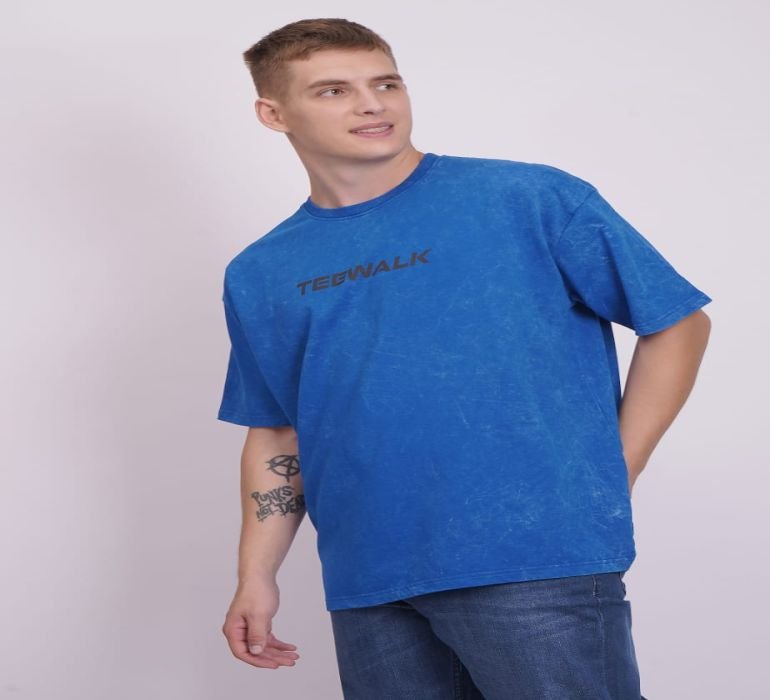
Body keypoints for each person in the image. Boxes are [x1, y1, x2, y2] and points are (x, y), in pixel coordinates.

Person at [217, 17, 712, 700]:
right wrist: (256, 575)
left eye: (386, 83)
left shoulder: (527, 198)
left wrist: (613, 468)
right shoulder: (260, 271)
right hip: (369, 580)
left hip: (532, 561)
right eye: (333, 90)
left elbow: (677, 322)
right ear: (274, 114)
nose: (372, 104)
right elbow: (278, 430)